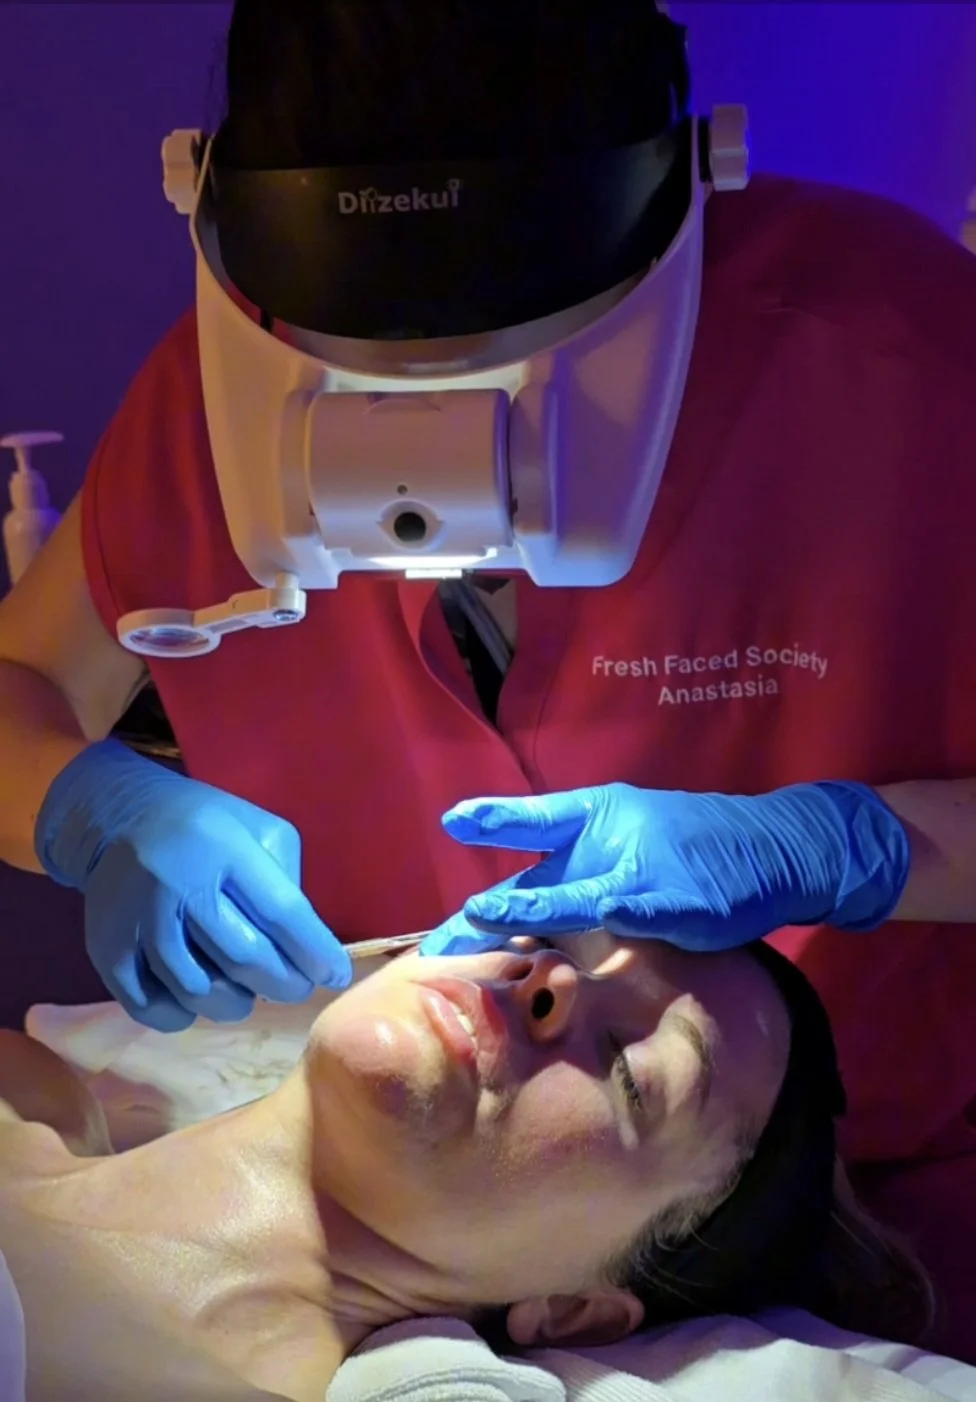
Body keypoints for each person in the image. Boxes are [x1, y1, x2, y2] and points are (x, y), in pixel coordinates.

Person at [0, 0, 975, 1361]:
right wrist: (87, 804)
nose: (433, 451)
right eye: (356, 380)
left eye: (639, 1067)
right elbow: (18, 686)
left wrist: (862, 844)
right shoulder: (212, 404)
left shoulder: (907, 363)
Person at [0, 936, 935, 1402]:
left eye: (630, 1075)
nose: (551, 984)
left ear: (570, 1310)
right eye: (554, 940)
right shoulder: (32, 1092)